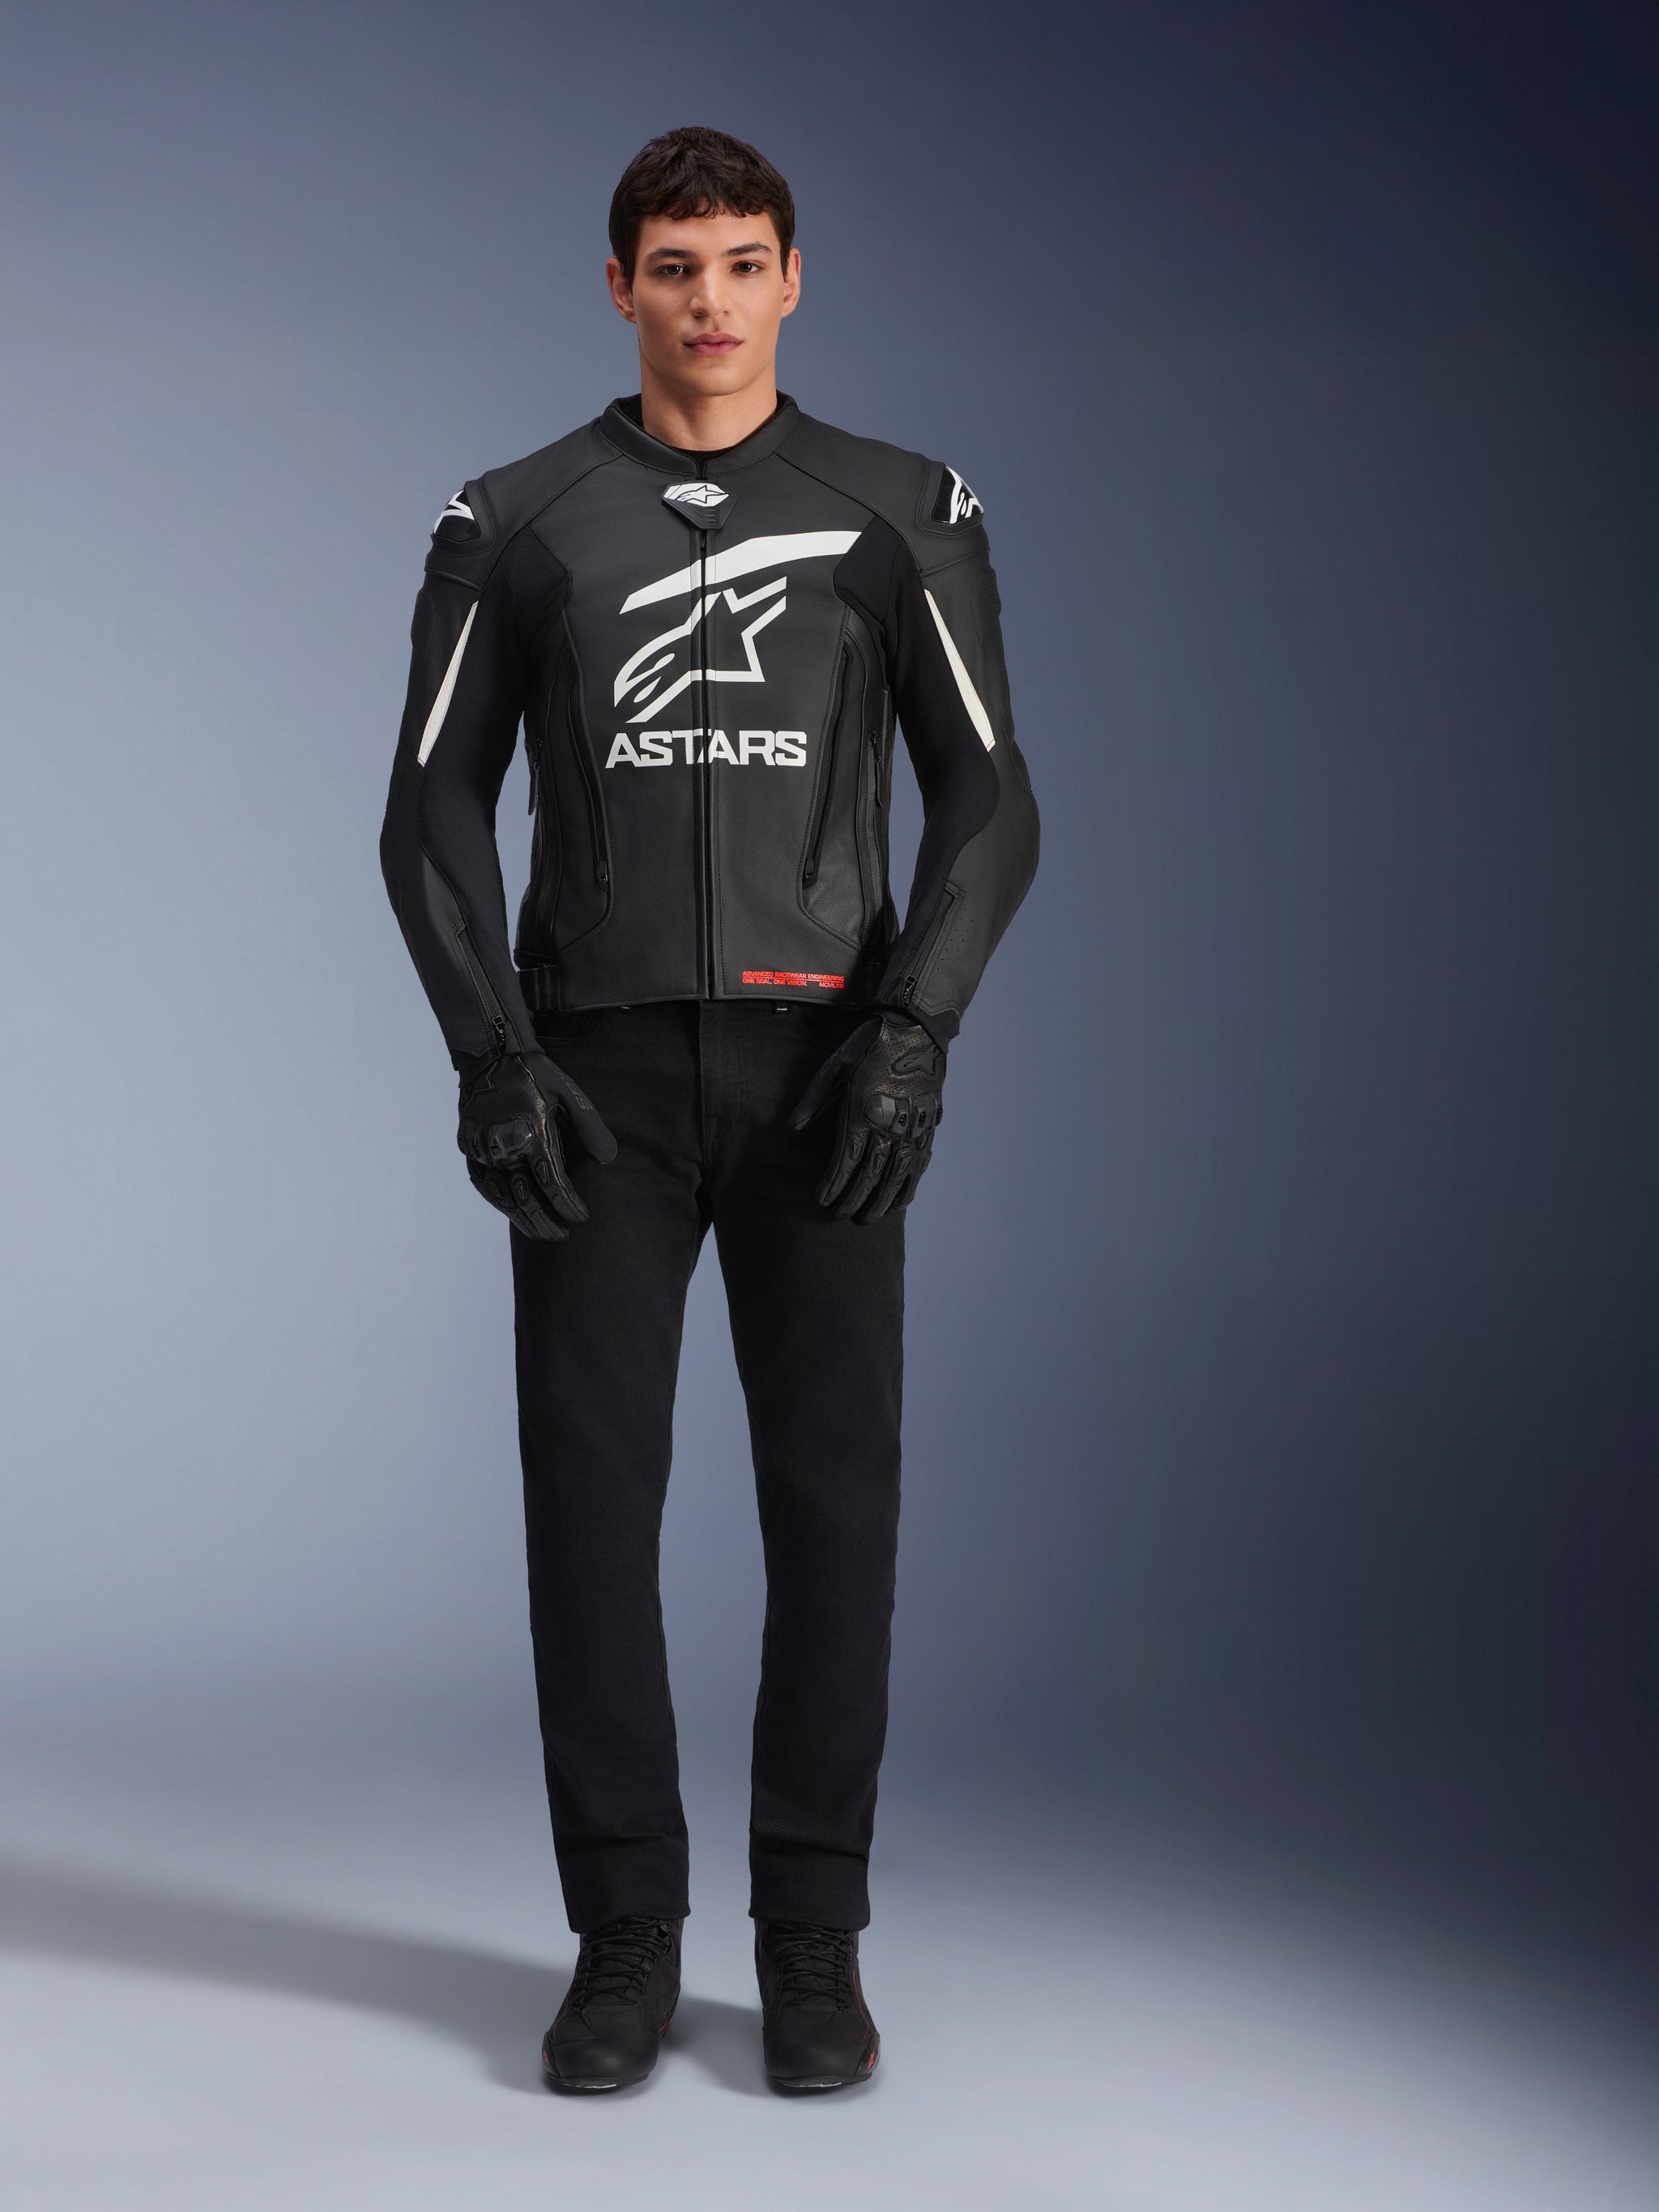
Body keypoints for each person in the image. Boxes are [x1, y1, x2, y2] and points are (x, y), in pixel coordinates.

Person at [380, 125, 1038, 2095]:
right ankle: (624, 1942)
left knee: (835, 1505)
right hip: (591, 1087)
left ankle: (814, 1941)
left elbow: (989, 793)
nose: (711, 301)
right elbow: (427, 803)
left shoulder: (894, 508)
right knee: (590, 1511)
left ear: (792, 277)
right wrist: (491, 1052)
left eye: (744, 262)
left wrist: (914, 1031)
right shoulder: (517, 517)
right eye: (674, 267)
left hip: (826, 1075)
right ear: (619, 288)